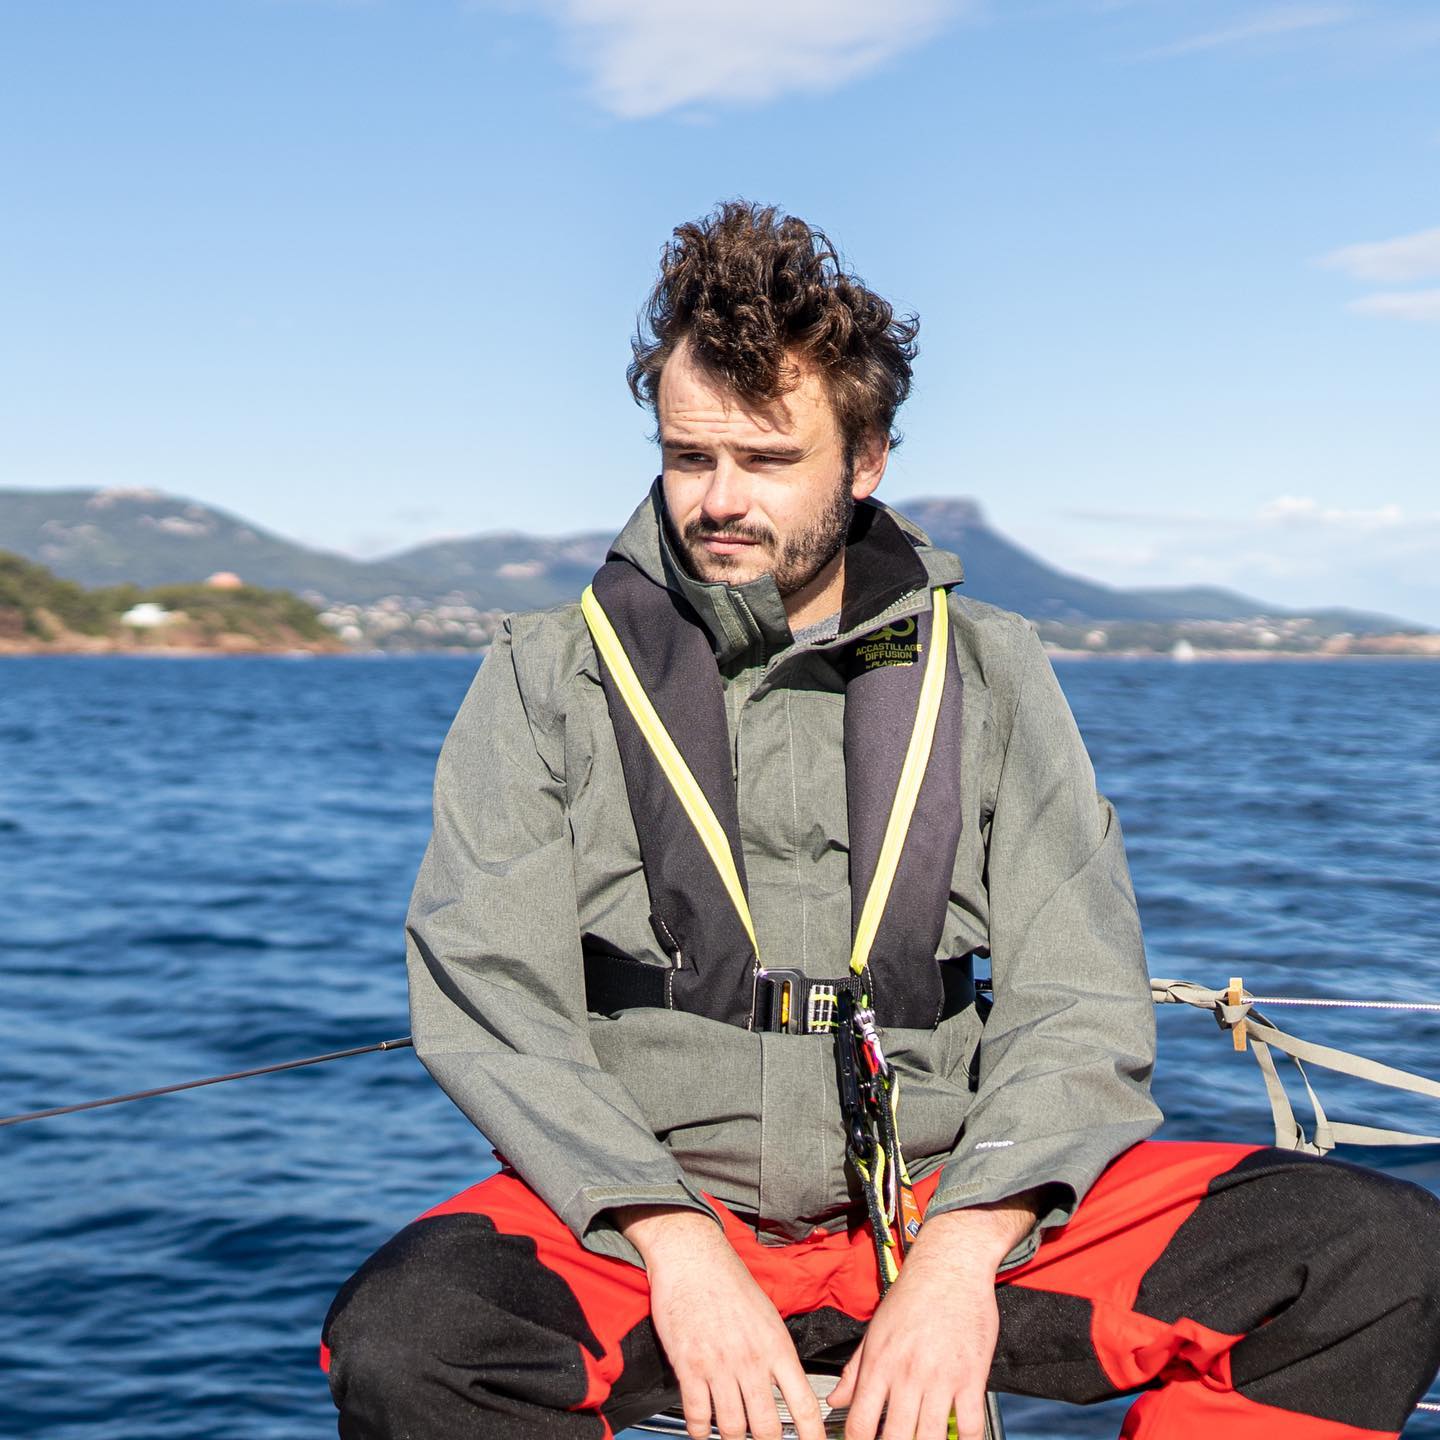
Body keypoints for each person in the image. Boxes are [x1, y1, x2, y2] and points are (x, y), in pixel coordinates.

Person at [321, 202, 1440, 1440]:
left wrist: (962, 1257)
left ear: (864, 463)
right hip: (644, 1223)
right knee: (408, 1340)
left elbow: (1079, 995)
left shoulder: (996, 671)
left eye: (766, 459)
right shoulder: (543, 675)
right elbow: (492, 993)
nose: (718, 501)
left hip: (951, 1211)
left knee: (1376, 1254)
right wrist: (675, 1243)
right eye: (690, 457)